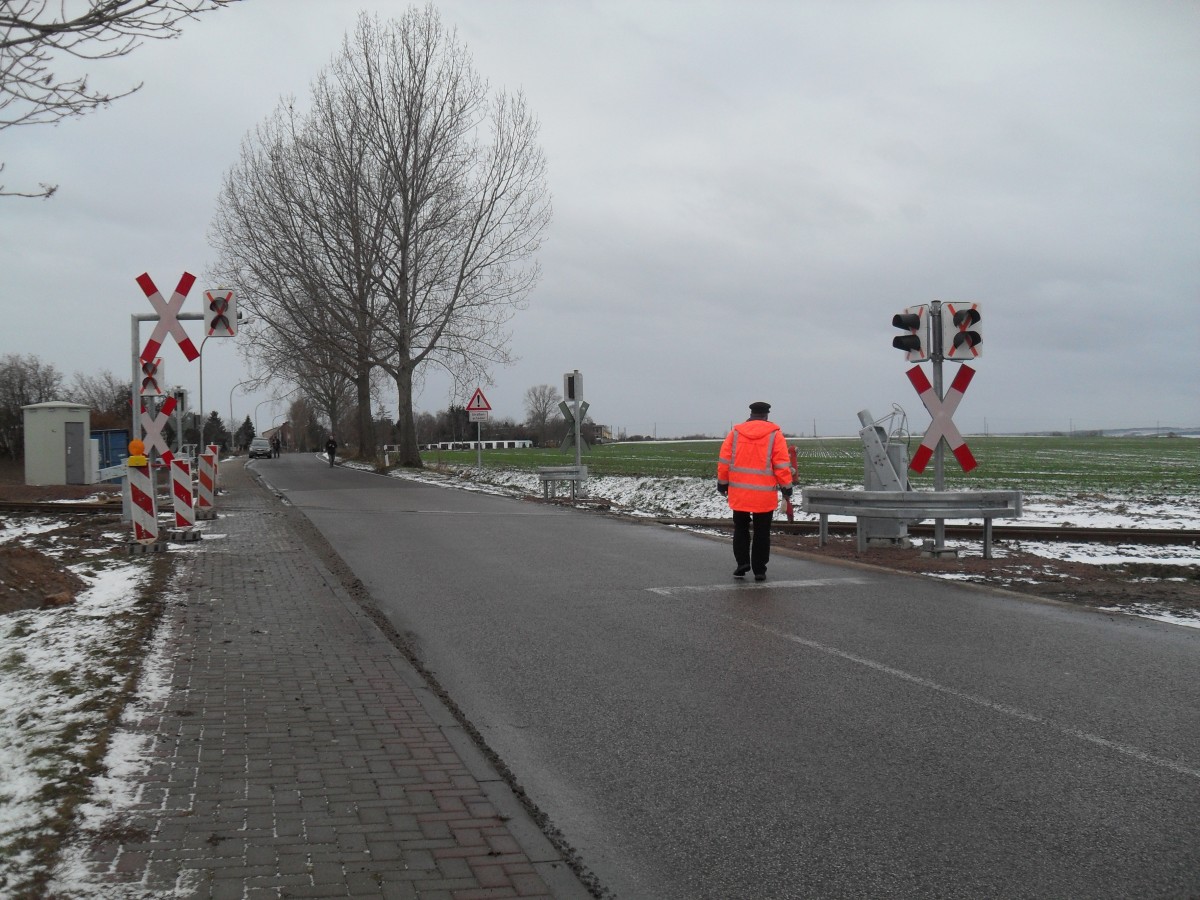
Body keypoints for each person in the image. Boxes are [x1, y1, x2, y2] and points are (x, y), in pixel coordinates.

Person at [717, 401, 793, 582]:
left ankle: (742, 563)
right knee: (762, 531)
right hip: (764, 494)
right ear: (766, 415)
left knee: (741, 528)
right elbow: (781, 464)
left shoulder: (735, 433)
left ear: (750, 414)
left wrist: (722, 483)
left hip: (739, 493)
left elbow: (724, 461)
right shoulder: (775, 435)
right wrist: (787, 487)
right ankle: (760, 570)